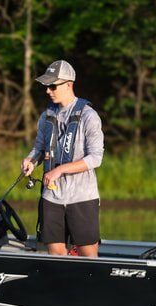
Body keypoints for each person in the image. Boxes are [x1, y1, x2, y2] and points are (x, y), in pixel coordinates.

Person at [20, 60, 104, 256]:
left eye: (53, 86)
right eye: (46, 86)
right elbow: (39, 148)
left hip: (82, 197)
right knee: (56, 254)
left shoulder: (89, 116)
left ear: (68, 84)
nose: (48, 91)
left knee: (88, 255)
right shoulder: (46, 116)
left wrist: (60, 170)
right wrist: (30, 160)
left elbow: (95, 158)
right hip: (51, 197)